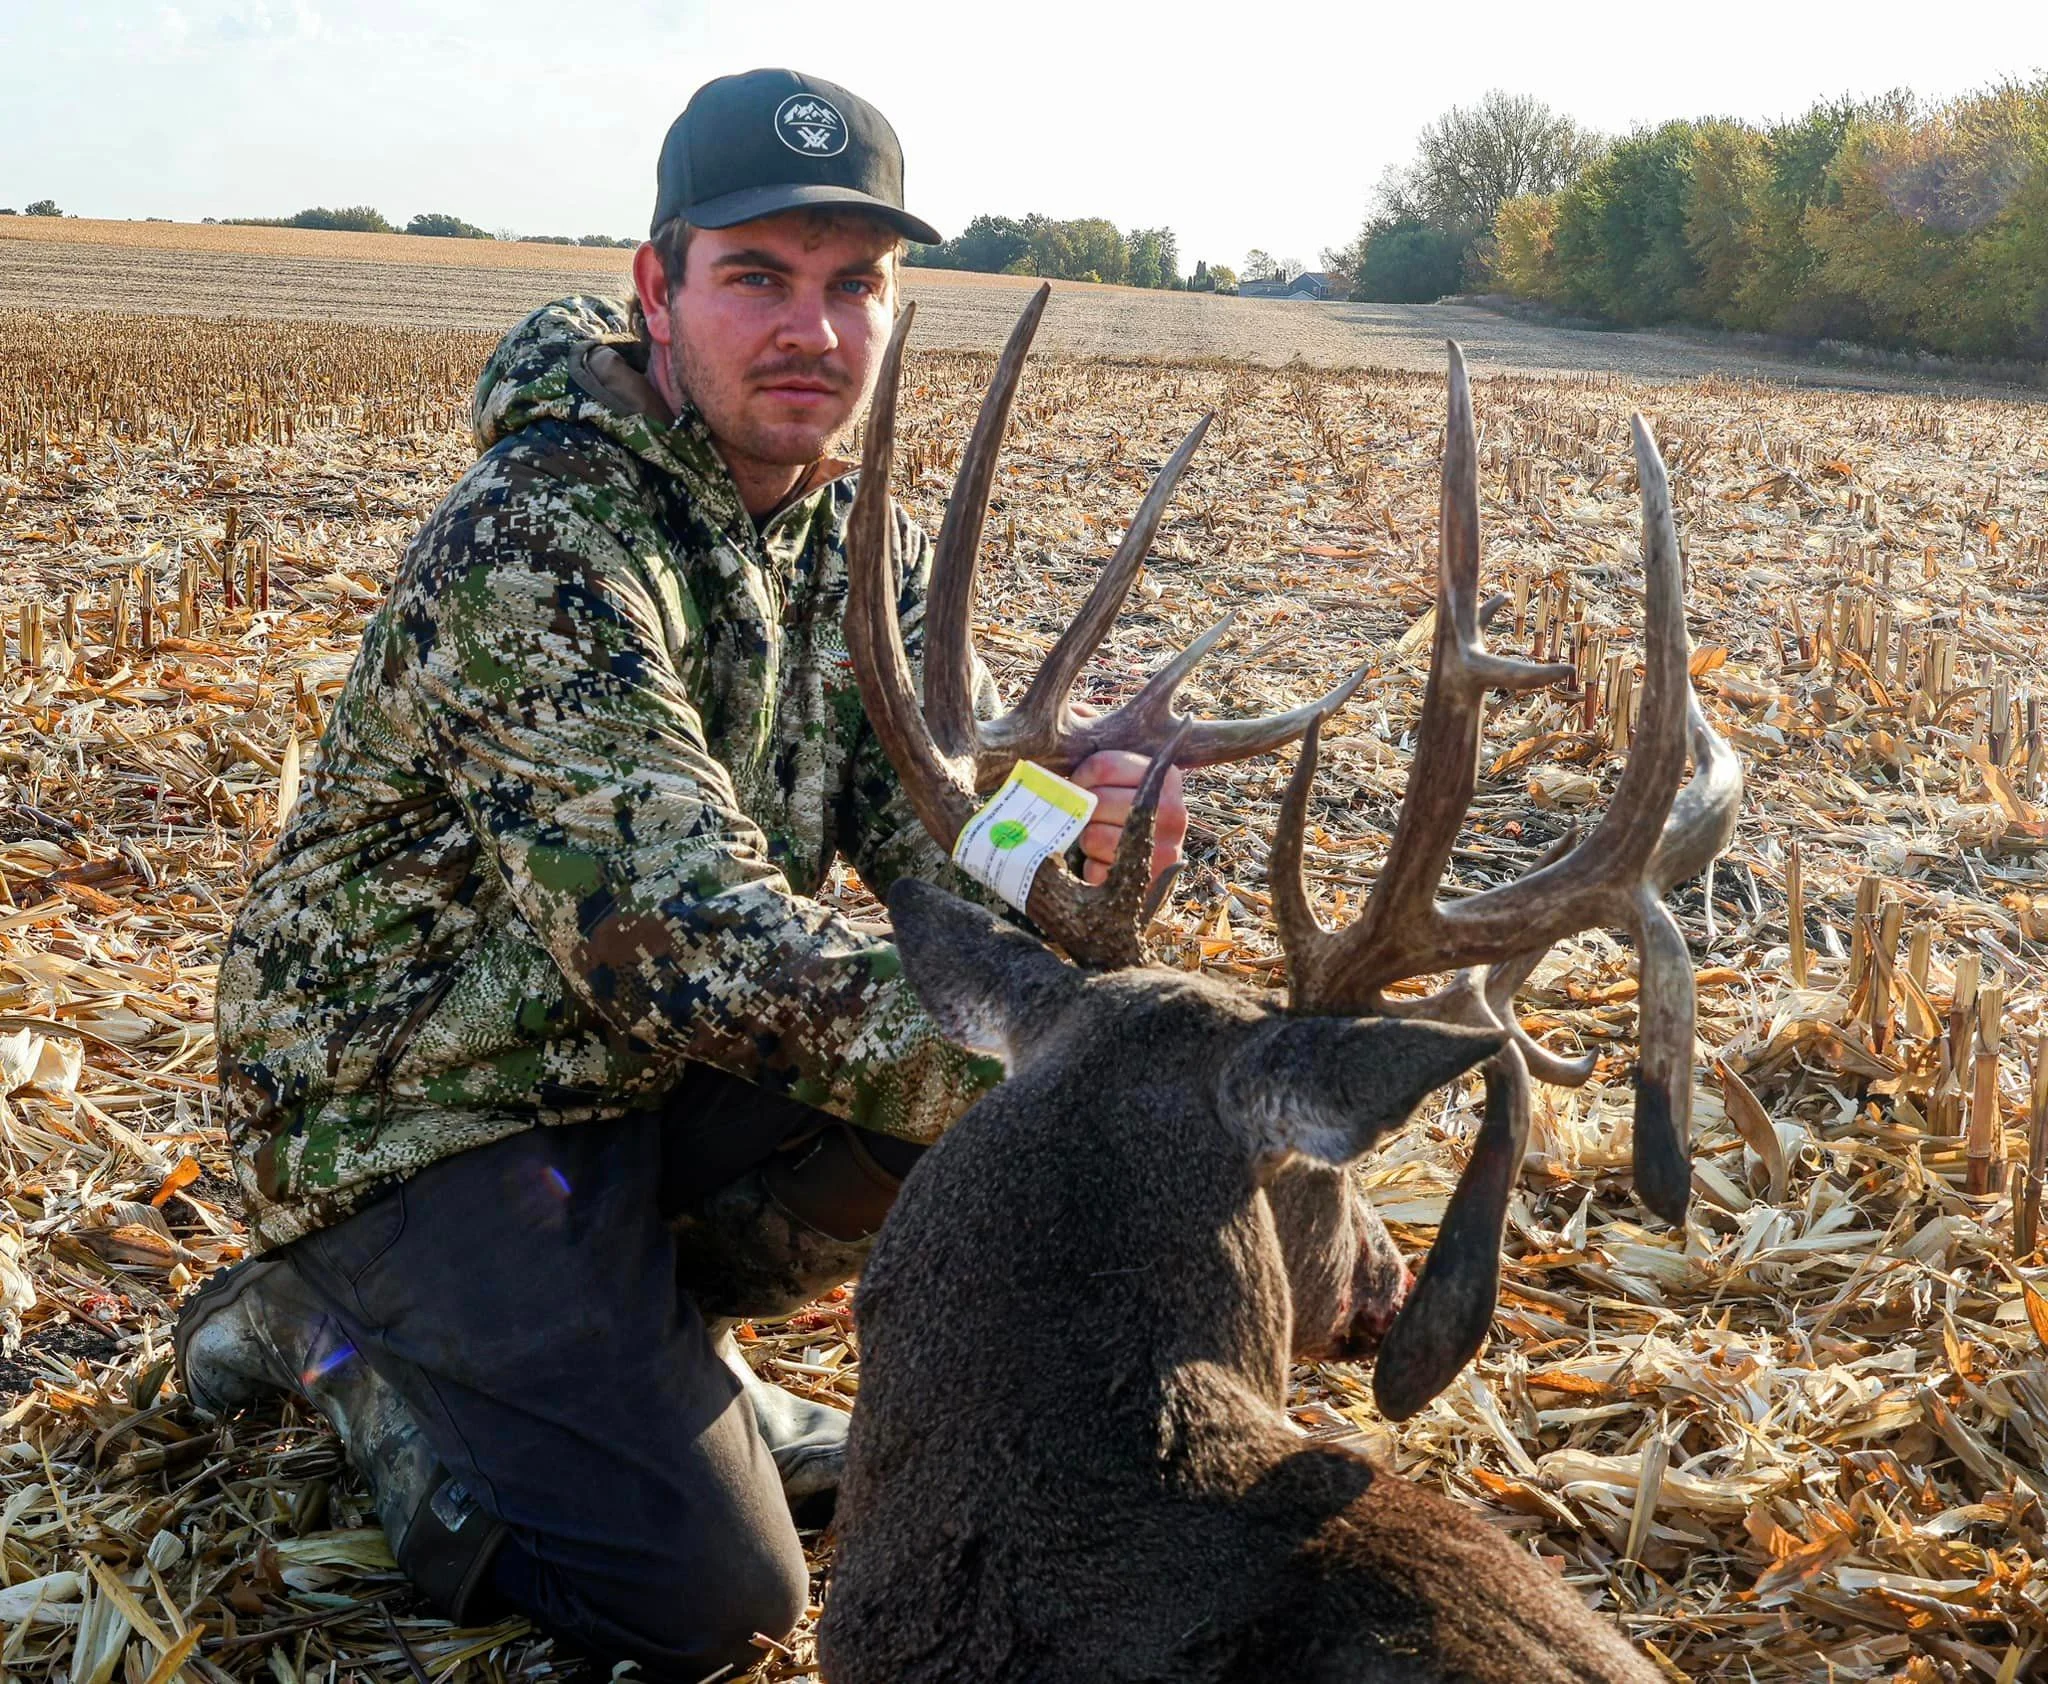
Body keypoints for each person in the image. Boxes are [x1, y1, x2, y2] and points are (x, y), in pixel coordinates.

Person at [173, 68, 1186, 1676]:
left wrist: (1077, 867)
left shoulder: (853, 546)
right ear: (659, 289)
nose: (816, 329)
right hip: (419, 1115)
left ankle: (640, 1360)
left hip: (640, 1087)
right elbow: (682, 944)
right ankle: (336, 1342)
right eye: (758, 277)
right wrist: (1089, 1069)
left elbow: (939, 867)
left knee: (988, 1083)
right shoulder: (541, 543)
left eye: (854, 285)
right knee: (718, 1605)